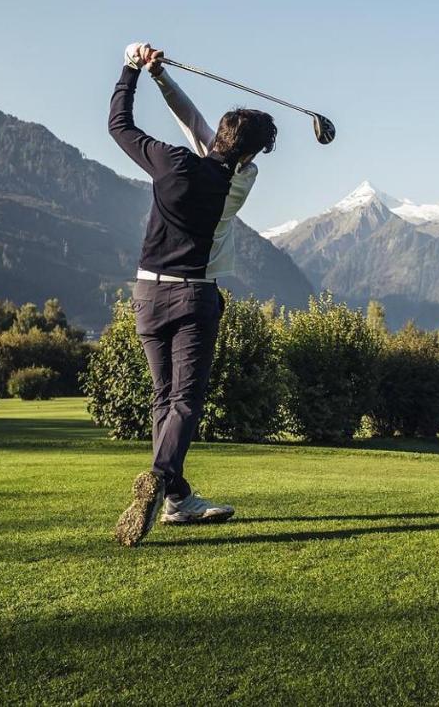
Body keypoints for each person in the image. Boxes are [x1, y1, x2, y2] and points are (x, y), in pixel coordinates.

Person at [108, 41, 277, 547]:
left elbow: (121, 125)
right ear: (247, 152)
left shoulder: (172, 163)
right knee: (185, 399)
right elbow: (202, 129)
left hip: (146, 295)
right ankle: (159, 478)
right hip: (194, 298)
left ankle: (178, 499)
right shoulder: (241, 181)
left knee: (165, 397)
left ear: (219, 136)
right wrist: (158, 76)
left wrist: (136, 69)